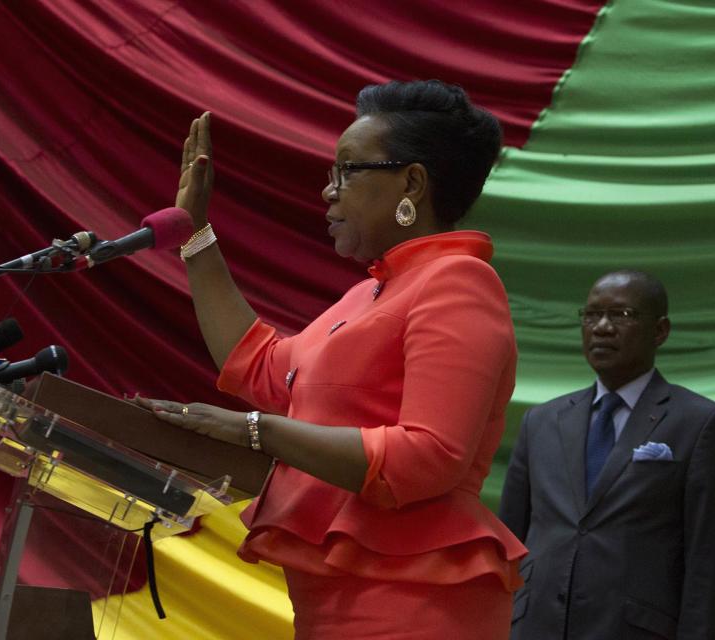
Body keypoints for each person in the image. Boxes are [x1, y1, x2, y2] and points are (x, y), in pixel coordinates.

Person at [134, 80, 526, 639]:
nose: (328, 191)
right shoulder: (368, 295)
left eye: (347, 170)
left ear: (411, 182)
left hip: (414, 599)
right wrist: (195, 234)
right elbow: (261, 367)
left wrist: (252, 431)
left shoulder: (457, 282)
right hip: (337, 599)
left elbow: (429, 455)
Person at [498, 270, 715, 640]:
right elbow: (509, 542)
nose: (601, 327)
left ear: (660, 331)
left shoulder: (700, 423)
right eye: (591, 315)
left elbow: (709, 566)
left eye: (621, 315)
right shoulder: (542, 422)